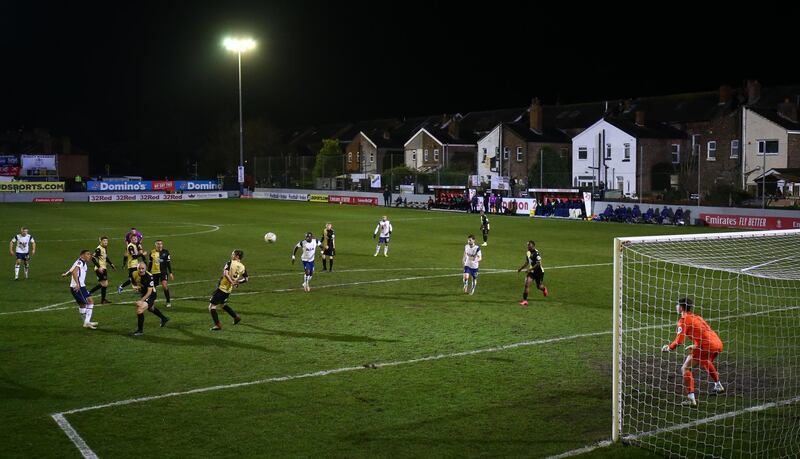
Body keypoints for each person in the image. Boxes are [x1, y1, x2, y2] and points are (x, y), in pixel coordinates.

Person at [661, 297, 725, 407]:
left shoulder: (684, 320)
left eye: (677, 305)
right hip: (717, 343)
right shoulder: (697, 317)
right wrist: (696, 345)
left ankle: (691, 399)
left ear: (681, 308)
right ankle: (718, 385)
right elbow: (705, 332)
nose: (676, 307)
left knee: (685, 368)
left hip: (706, 345)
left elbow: (679, 341)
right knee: (705, 361)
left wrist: (669, 347)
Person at [208, 250, 247, 331]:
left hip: (222, 288)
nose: (231, 255)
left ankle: (217, 325)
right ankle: (236, 317)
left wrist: (232, 282)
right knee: (222, 305)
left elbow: (226, 274)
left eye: (233, 254)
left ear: (237, 256)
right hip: (228, 290)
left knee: (212, 307)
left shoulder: (230, 262)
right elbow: (246, 279)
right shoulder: (243, 267)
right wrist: (237, 282)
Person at [130, 261, 169, 336]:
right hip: (144, 293)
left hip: (151, 295)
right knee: (151, 308)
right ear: (137, 268)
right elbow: (131, 280)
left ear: (145, 269)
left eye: (142, 268)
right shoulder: (134, 273)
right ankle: (164, 318)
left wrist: (141, 301)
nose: (141, 270)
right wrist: (135, 287)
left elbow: (149, 292)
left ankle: (140, 331)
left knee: (139, 309)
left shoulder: (149, 276)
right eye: (139, 268)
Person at [62, 249, 97, 329]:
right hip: (78, 287)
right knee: (84, 304)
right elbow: (74, 272)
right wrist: (77, 284)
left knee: (90, 301)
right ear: (82, 255)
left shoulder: (79, 262)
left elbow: (71, 271)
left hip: (82, 286)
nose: (89, 256)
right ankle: (86, 322)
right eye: (87, 254)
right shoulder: (80, 262)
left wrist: (65, 274)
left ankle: (87, 322)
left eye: (90, 254)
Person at [516, 240, 548, 306]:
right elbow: (527, 262)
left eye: (529, 245)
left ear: (532, 246)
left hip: (539, 272)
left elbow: (538, 264)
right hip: (532, 272)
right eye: (527, 245)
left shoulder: (536, 253)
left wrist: (530, 269)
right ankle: (525, 301)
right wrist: (521, 268)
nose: (527, 246)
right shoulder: (528, 252)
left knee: (539, 286)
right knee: (527, 284)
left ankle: (544, 289)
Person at [89, 236, 115, 304]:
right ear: (101, 241)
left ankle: (103, 300)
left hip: (103, 268)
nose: (106, 242)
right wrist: (99, 267)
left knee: (104, 284)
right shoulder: (98, 249)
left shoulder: (104, 248)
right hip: (100, 268)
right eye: (104, 241)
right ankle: (89, 293)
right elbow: (93, 258)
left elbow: (105, 257)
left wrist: (111, 264)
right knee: (104, 284)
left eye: (106, 241)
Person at [149, 240, 174, 307]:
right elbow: (150, 263)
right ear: (155, 245)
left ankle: (168, 301)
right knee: (153, 287)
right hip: (154, 272)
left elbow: (168, 263)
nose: (159, 245)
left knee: (164, 285)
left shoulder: (166, 252)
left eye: (161, 244)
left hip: (163, 272)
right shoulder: (152, 252)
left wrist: (170, 273)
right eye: (158, 244)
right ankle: (152, 301)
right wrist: (148, 272)